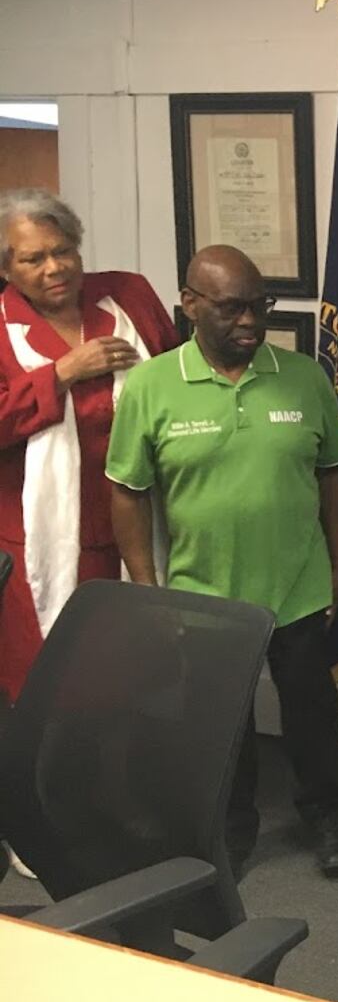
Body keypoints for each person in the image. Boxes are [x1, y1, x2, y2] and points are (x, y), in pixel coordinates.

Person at [106, 245, 338, 879]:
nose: (249, 321)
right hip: (203, 594)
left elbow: (335, 475)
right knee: (222, 728)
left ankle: (330, 817)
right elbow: (127, 491)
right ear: (190, 303)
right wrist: (147, 588)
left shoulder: (303, 377)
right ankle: (231, 830)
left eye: (259, 306)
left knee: (312, 718)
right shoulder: (152, 385)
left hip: (297, 585)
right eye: (231, 307)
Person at [0, 189, 178, 706]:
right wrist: (59, 374)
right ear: (8, 269)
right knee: (56, 683)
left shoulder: (127, 295)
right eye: (33, 259)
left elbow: (174, 376)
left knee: (143, 673)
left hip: (141, 522)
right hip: (41, 538)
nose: (54, 267)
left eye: (64, 251)